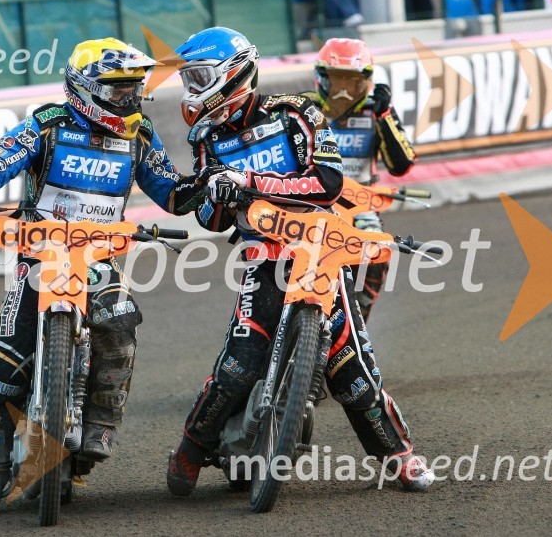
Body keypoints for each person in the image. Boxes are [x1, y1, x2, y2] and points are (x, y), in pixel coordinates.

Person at [165, 27, 434, 496]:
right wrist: (217, 194)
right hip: (264, 254)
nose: (191, 90)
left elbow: (328, 182)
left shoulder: (297, 112)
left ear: (232, 76)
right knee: (239, 362)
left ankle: (400, 456)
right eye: (188, 79)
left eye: (199, 77)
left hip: (319, 246)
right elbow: (210, 218)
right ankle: (189, 450)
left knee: (353, 372)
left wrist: (249, 180)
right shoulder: (205, 136)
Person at [0, 37, 205, 505]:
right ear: (85, 87)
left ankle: (100, 424)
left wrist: (209, 187)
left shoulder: (139, 132)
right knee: (5, 362)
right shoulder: (50, 123)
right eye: (117, 89)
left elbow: (169, 191)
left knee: (120, 325)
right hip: (40, 255)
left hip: (99, 259)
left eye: (133, 88)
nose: (128, 98)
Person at [309, 37, 417, 322]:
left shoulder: (376, 111)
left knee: (379, 251)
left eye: (352, 81)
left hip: (360, 207)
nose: (344, 90)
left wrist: (384, 115)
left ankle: (355, 321)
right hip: (310, 202)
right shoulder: (301, 109)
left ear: (367, 81)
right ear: (321, 78)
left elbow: (402, 165)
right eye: (337, 80)